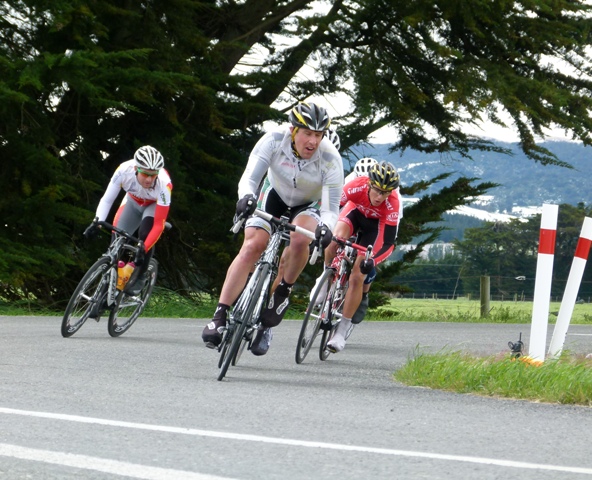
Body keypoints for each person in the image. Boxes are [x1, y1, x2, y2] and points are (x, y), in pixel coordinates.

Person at [202, 102, 343, 355]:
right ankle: (219, 315)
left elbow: (331, 209)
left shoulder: (331, 158)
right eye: (307, 133)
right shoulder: (274, 138)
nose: (313, 141)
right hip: (273, 195)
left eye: (318, 135)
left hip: (307, 206)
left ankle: (282, 292)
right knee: (252, 246)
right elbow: (250, 177)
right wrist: (246, 196)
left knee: (300, 239)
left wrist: (326, 227)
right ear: (293, 130)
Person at [318, 160, 402, 353]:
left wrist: (372, 260)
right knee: (333, 241)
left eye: (385, 192)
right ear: (369, 184)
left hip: (375, 228)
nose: (380, 196)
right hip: (355, 213)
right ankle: (326, 278)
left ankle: (342, 330)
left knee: (358, 274)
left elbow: (388, 243)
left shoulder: (393, 203)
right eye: (377, 190)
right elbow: (331, 208)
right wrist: (323, 229)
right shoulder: (356, 185)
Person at [83, 145, 173, 296]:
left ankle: (141, 275)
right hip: (132, 202)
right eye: (145, 174)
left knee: (145, 234)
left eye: (153, 174)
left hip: (152, 206)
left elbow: (158, 225)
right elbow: (107, 200)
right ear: (136, 168)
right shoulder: (123, 170)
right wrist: (96, 222)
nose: (149, 179)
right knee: (117, 240)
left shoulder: (164, 183)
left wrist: (143, 248)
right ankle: (111, 282)